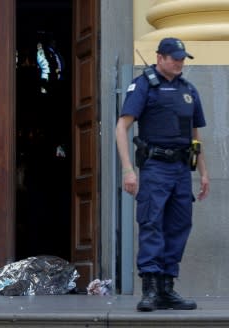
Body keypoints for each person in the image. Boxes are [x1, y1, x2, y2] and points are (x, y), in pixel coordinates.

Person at [116, 37, 209, 312]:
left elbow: (195, 137)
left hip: (182, 169)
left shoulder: (188, 89)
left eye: (182, 57)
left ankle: (167, 289)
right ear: (160, 58)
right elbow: (122, 127)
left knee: (178, 226)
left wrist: (204, 173)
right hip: (156, 167)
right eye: (174, 57)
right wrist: (127, 170)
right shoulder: (144, 85)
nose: (179, 61)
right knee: (152, 224)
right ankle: (151, 289)